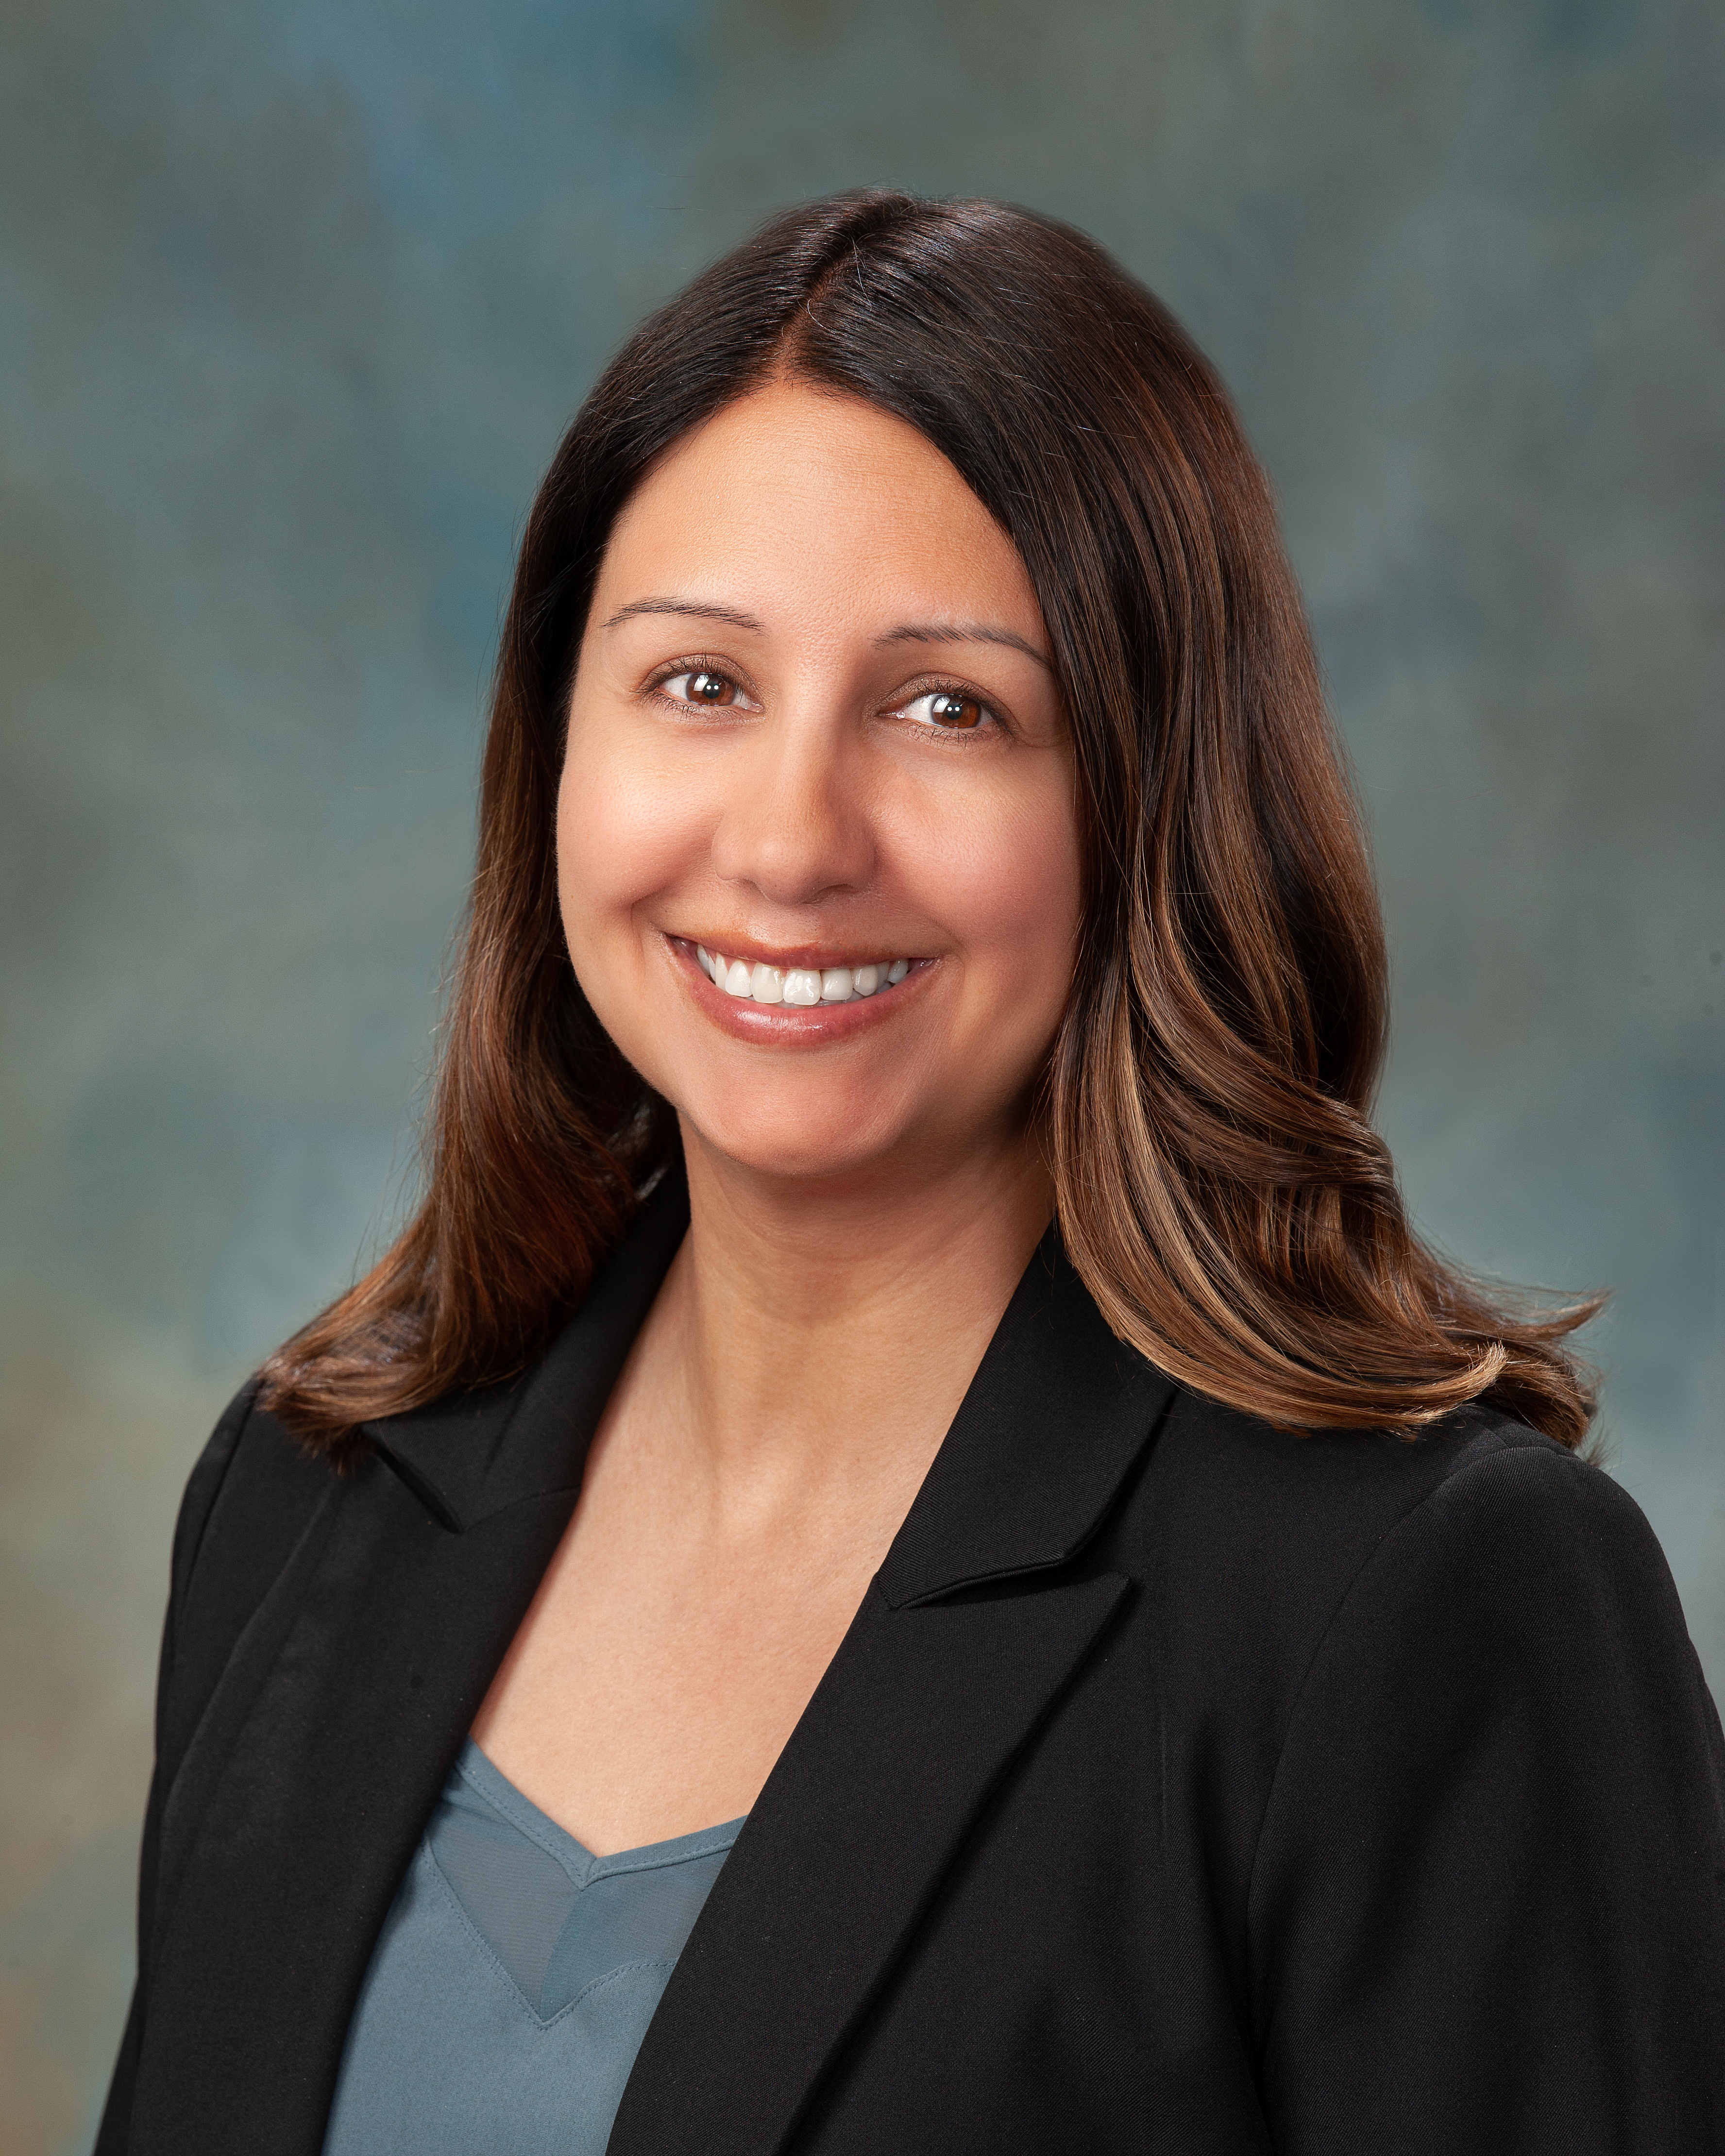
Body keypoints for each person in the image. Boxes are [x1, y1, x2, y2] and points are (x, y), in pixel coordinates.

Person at [98, 190, 1724, 2156]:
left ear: (1149, 797)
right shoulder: (308, 1497)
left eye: (950, 709)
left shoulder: (1427, 1604)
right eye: (700, 683)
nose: (791, 842)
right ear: (554, 750)